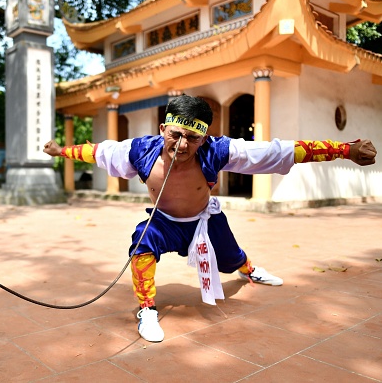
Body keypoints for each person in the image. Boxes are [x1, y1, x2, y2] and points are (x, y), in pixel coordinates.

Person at [43, 94, 377, 343]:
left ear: (204, 137)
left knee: (231, 259)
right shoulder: (137, 150)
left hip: (205, 219)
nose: (183, 145)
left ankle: (250, 271)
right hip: (163, 221)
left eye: (193, 138)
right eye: (176, 135)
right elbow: (96, 151)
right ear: (163, 128)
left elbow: (282, 150)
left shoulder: (218, 150)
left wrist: (346, 149)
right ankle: (147, 308)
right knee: (141, 246)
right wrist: (61, 152)